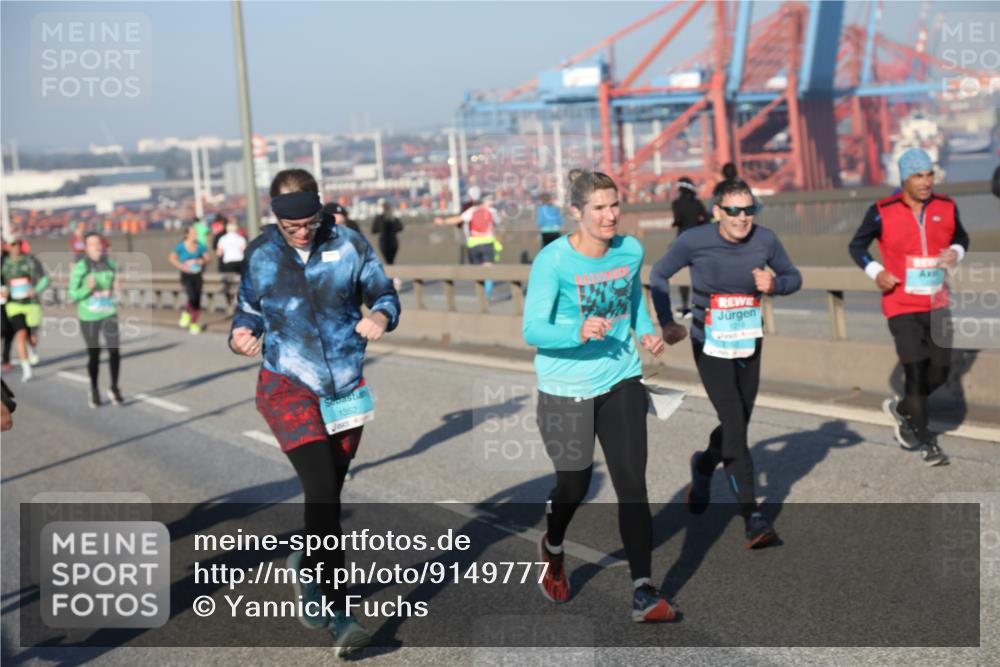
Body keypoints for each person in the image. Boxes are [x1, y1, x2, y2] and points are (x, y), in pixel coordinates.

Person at [230, 168, 399, 657]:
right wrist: (239, 334)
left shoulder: (349, 245)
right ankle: (341, 615)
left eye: (310, 223)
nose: (302, 232)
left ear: (321, 210)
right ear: (276, 219)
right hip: (287, 385)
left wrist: (380, 316)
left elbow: (383, 293)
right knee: (321, 490)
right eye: (292, 226)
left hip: (344, 389)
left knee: (329, 493)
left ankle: (307, 568)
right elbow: (247, 310)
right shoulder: (262, 255)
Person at [523, 168, 674, 622]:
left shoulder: (631, 250)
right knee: (574, 484)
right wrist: (577, 330)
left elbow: (631, 304)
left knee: (632, 484)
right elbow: (532, 329)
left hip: (620, 377)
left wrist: (647, 334)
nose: (610, 217)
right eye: (599, 208)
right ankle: (553, 545)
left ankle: (643, 589)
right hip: (564, 387)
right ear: (576, 212)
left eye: (614, 206)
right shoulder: (553, 261)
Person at [650, 179, 802, 548]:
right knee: (734, 423)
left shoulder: (765, 239)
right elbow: (658, 275)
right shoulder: (694, 240)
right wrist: (667, 321)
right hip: (710, 343)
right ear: (717, 211)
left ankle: (703, 465)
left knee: (737, 422)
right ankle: (752, 515)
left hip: (749, 341)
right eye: (733, 210)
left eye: (749, 210)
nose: (742, 217)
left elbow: (794, 278)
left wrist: (774, 284)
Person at [848, 148, 969, 467]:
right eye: (918, 175)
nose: (926, 181)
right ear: (904, 179)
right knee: (915, 371)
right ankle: (927, 441)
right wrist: (877, 272)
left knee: (940, 371)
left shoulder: (946, 205)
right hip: (900, 303)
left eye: (929, 174)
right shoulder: (881, 210)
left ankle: (903, 409)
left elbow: (962, 237)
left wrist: (956, 252)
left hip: (937, 301)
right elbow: (856, 246)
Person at [68, 232, 124, 408]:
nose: (97, 247)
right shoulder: (81, 267)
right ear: (86, 248)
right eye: (92, 244)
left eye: (98, 243)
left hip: (108, 312)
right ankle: (93, 389)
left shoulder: (110, 263)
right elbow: (72, 295)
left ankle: (114, 387)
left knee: (114, 351)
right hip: (89, 316)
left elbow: (114, 285)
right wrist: (86, 287)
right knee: (95, 353)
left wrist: (116, 287)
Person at [435, 192, 502, 299]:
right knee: (488, 270)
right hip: (488, 243)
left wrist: (443, 221)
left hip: (473, 244)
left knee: (477, 271)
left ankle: (481, 292)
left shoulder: (472, 210)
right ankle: (487, 294)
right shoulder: (493, 211)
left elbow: (458, 219)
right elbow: (498, 224)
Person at [0, 239, 48, 381]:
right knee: (20, 334)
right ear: (8, 246)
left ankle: (31, 346)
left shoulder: (30, 260)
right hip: (14, 305)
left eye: (17, 244)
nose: (15, 247)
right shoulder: (4, 262)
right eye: (12, 244)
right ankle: (27, 370)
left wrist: (36, 290)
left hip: (32, 304)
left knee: (32, 339)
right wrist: (4, 291)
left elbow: (44, 279)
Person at [670, 177, 709, 318]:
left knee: (683, 275)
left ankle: (685, 307)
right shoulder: (698, 203)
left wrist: (675, 223)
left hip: (682, 242)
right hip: (698, 242)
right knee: (700, 274)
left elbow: (678, 220)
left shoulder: (676, 204)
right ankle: (701, 305)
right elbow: (706, 220)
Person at [168, 225, 212, 335]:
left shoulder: (200, 246)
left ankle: (194, 323)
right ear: (187, 234)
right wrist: (182, 266)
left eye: (195, 233)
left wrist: (201, 261)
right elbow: (171, 258)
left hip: (197, 275)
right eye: (192, 233)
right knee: (191, 296)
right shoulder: (181, 247)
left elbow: (208, 258)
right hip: (186, 275)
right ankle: (187, 313)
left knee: (197, 299)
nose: (195, 235)